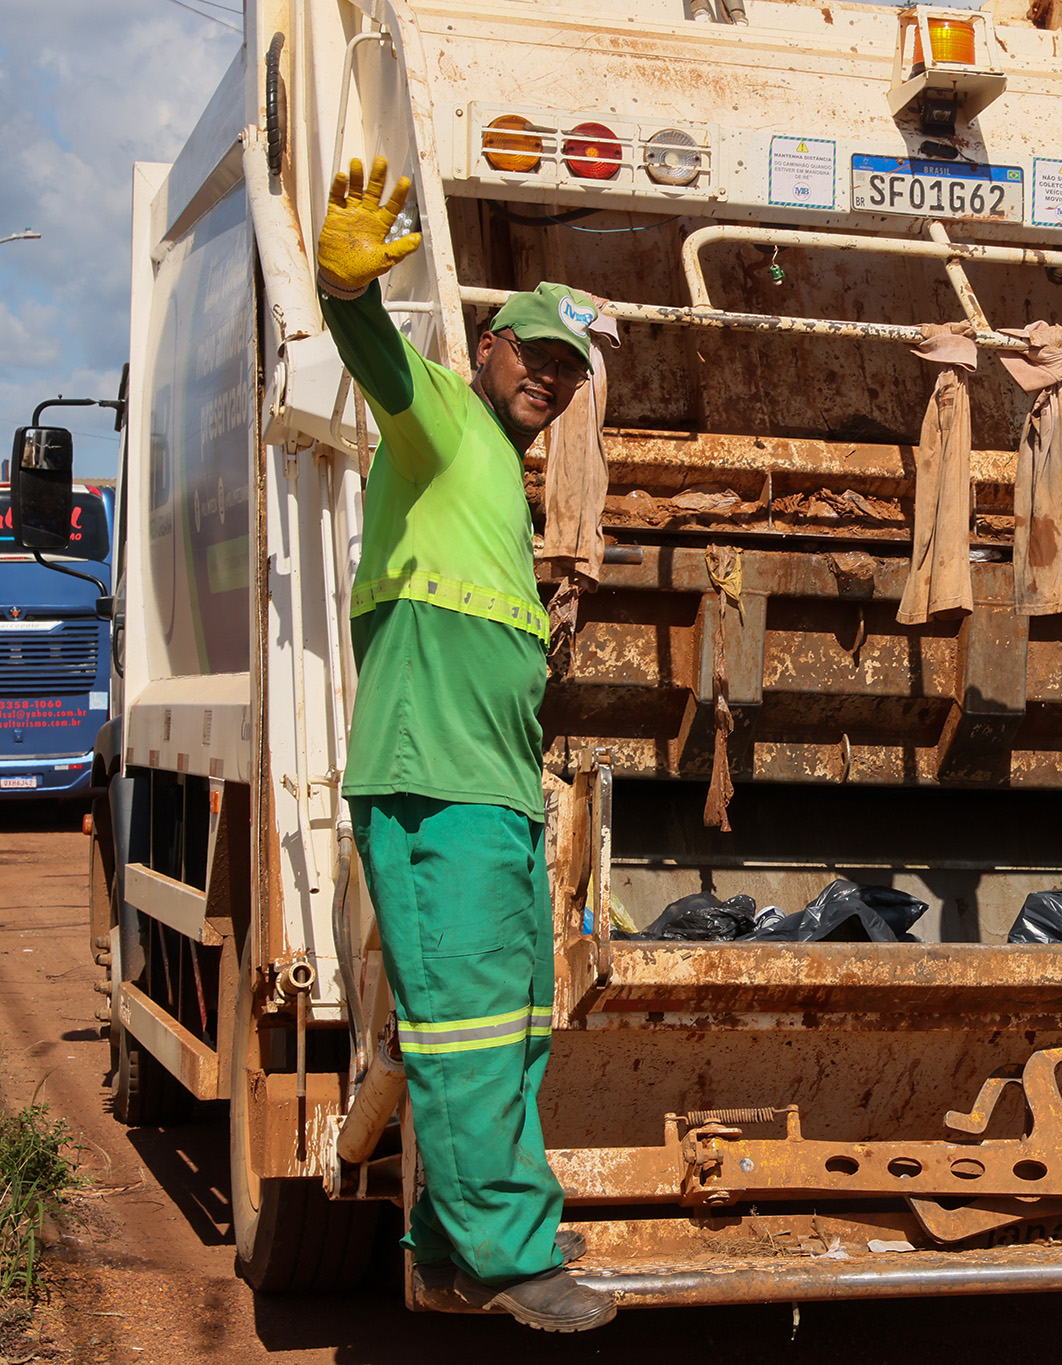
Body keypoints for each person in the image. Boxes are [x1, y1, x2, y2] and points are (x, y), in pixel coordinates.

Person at [316, 156, 615, 1332]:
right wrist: (348, 294)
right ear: (486, 345)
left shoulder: (501, 470)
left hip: (487, 791)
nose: (548, 376)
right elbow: (375, 360)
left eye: (567, 368)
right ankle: (506, 1256)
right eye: (533, 353)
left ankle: (454, 1241)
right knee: (474, 1024)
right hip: (431, 782)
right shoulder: (441, 414)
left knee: (508, 1021)